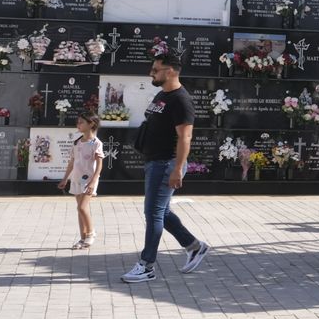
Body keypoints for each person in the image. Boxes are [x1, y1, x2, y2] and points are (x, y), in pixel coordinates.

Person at [121, 54, 210, 284]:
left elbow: (185, 137)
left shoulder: (181, 100)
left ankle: (146, 265)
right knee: (161, 212)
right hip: (154, 161)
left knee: (153, 213)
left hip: (166, 163)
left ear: (170, 71)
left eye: (156, 69)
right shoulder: (162, 95)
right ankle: (194, 246)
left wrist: (178, 168)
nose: (152, 73)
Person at [58, 113, 105, 248]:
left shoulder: (96, 143)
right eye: (78, 122)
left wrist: (93, 181)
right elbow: (72, 163)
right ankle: (82, 238)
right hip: (76, 179)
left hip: (89, 180)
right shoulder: (77, 142)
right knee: (79, 209)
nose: (78, 125)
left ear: (91, 124)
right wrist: (65, 179)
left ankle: (91, 233)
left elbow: (99, 164)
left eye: (81, 122)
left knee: (82, 207)